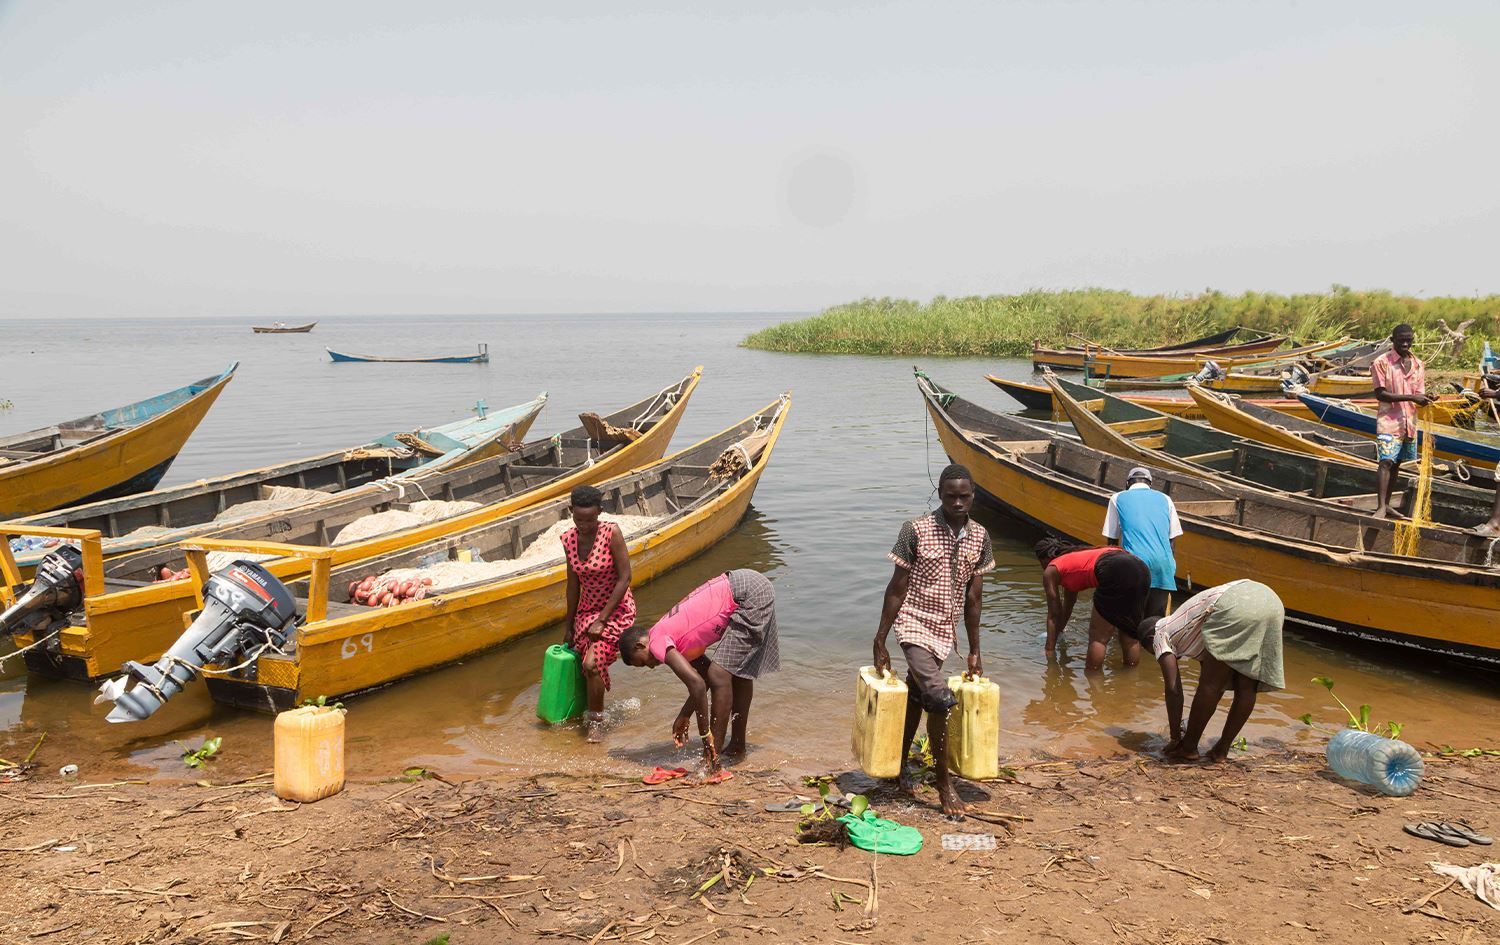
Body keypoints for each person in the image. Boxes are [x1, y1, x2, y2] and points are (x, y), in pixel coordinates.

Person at [872, 464, 994, 818]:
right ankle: (944, 784)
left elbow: (974, 600)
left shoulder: (980, 537)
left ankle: (898, 765)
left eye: (965, 496)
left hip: (944, 629)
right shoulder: (915, 531)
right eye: (951, 495)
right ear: (939, 494)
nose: (958, 502)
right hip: (912, 623)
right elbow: (896, 588)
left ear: (973, 496)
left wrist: (974, 650)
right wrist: (881, 638)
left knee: (916, 695)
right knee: (940, 700)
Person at [619, 569, 780, 782]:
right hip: (749, 585)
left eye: (643, 662)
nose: (650, 666)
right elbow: (702, 681)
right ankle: (736, 747)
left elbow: (698, 684)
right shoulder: (674, 639)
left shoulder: (656, 641)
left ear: (641, 644)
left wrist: (706, 739)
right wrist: (685, 714)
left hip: (747, 592)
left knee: (719, 673)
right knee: (732, 673)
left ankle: (711, 762)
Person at [1126, 579, 1286, 763]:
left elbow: (1173, 689)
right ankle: (1221, 751)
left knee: (1210, 686)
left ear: (1150, 639)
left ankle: (1188, 748)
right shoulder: (1188, 627)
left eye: (1152, 652)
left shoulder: (1160, 633)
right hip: (1270, 602)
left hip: (1236, 605)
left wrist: (1176, 737)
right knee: (1246, 686)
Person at [561, 485, 635, 743]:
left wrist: (602, 620)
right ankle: (589, 708)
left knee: (592, 664)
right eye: (579, 519)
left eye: (590, 519)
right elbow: (573, 586)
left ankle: (596, 722)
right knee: (585, 663)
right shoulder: (568, 539)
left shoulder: (611, 533)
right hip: (586, 611)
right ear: (571, 512)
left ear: (599, 513)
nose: (584, 525)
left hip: (615, 610)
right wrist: (568, 625)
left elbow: (625, 578)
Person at [1035, 537, 1149, 671]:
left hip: (1115, 570)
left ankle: (1093, 682)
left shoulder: (1052, 569)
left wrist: (1049, 650)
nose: (1043, 568)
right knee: (1130, 635)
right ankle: (1130, 680)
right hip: (1142, 569)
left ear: (1045, 559)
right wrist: (1059, 632)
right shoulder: (1074, 560)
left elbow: (1054, 615)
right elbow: (1067, 607)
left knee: (1098, 638)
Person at [1372, 323, 1435, 519]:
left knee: (1397, 463)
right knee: (1386, 462)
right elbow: (1381, 394)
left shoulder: (1418, 364)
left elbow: (1419, 394)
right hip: (1389, 421)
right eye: (1401, 341)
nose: (1406, 344)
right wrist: (1411, 397)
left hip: (1409, 422)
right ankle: (1381, 506)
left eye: (1409, 340)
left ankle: (1388, 504)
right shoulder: (1381, 362)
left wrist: (1427, 398)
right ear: (1393, 341)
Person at [1102, 466, 1182, 618]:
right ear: (1150, 484)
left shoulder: (1117, 498)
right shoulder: (1166, 499)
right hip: (1164, 567)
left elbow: (1112, 541)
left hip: (1134, 566)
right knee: (1155, 624)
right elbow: (1172, 541)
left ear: (1127, 483)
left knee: (1130, 624)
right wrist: (1168, 571)